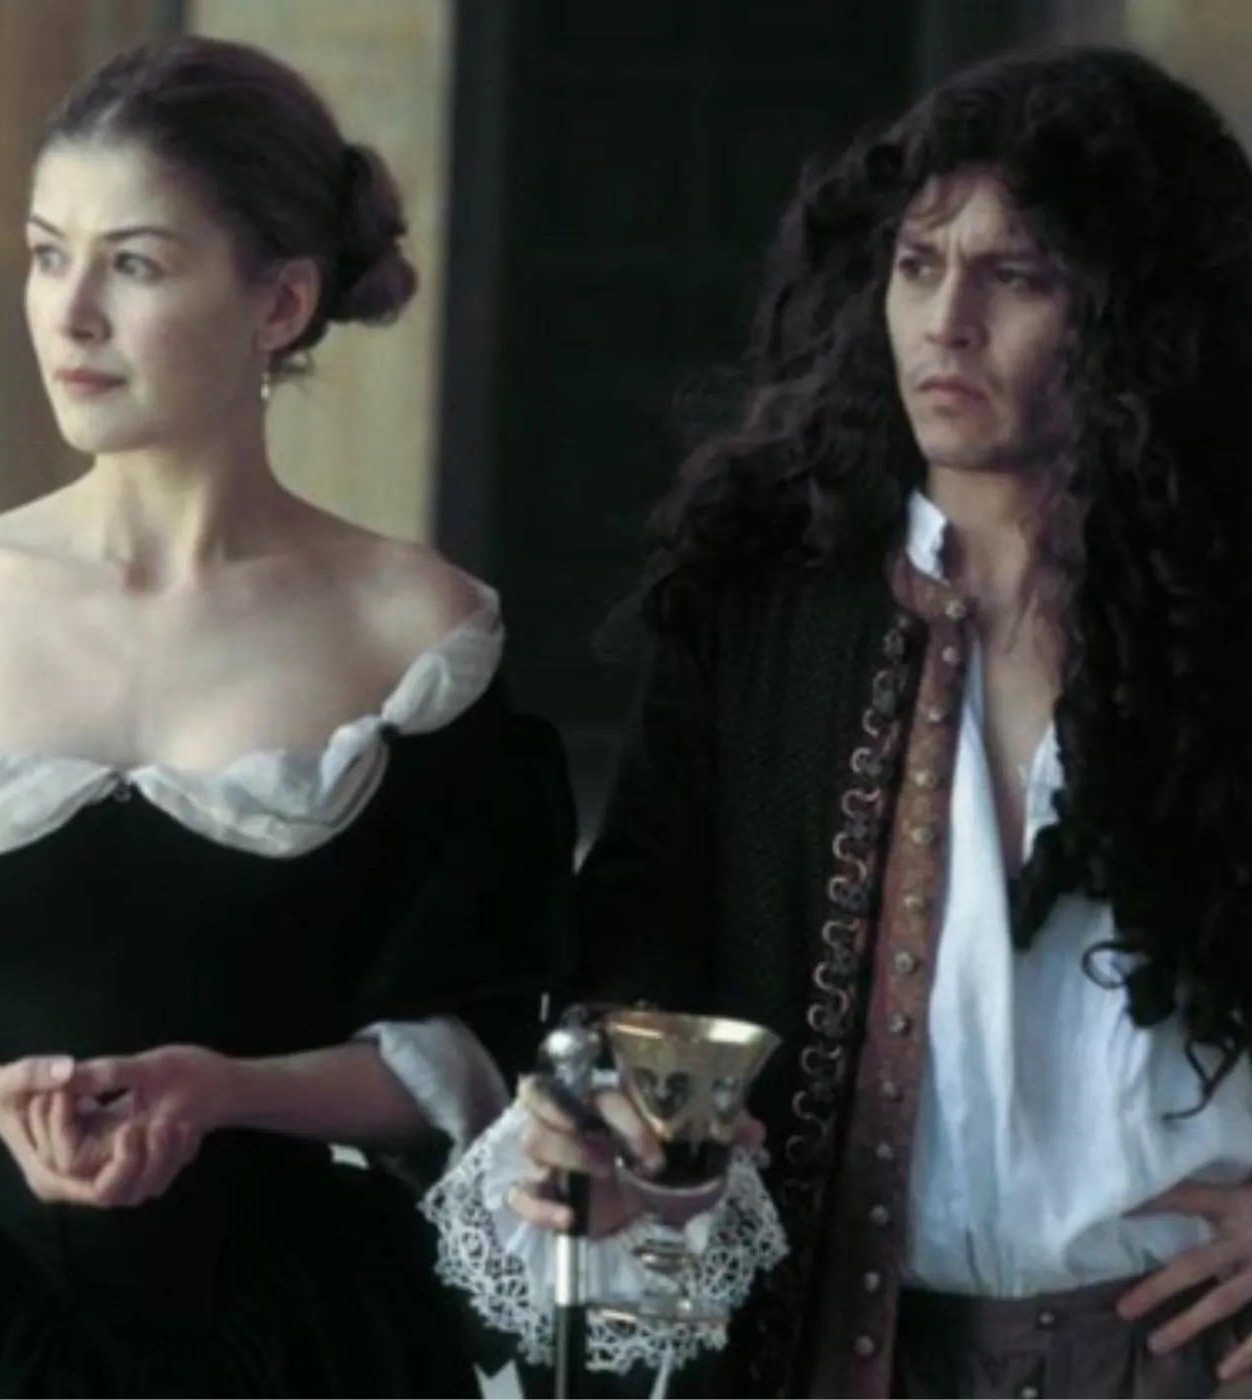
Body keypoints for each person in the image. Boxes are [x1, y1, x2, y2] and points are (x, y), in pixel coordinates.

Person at [424, 43, 1252, 1400]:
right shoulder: (771, 609)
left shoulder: (1228, 614)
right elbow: (649, 929)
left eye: (1017, 277)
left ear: (1143, 316)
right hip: (857, 1355)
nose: (947, 322)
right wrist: (622, 1108)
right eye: (918, 266)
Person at [0, 34, 575, 1398]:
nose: (70, 316)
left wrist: (228, 1088)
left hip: (299, 1340)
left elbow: (470, 1047)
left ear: (280, 302)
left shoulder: (415, 631)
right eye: (46, 254)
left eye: (134, 264)